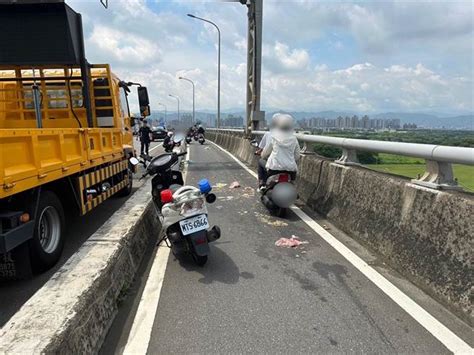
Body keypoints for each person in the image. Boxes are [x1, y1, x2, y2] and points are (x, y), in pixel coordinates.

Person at [261, 113, 300, 183]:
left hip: (274, 169)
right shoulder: (294, 139)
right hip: (291, 170)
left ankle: (262, 184)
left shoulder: (274, 137)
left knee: (261, 162)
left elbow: (265, 153)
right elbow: (297, 156)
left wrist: (263, 156)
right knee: (292, 184)